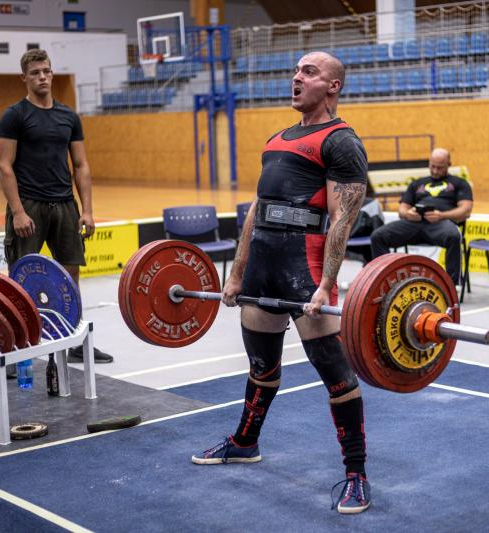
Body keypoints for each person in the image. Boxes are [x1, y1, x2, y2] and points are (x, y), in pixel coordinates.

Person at [191, 51, 371, 514]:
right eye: (296, 70)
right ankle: (244, 442)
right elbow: (257, 208)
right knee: (261, 367)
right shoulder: (276, 140)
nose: (296, 77)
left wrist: (327, 283)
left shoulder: (341, 141)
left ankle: (356, 474)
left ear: (332, 86)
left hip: (305, 271)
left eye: (309, 72)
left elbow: (342, 218)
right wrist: (236, 273)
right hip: (263, 269)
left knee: (336, 376)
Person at [0, 49, 113, 365]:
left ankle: (75, 342)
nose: (42, 77)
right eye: (35, 72)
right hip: (29, 207)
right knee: (20, 280)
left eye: (46, 71)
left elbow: (81, 166)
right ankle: (17, 353)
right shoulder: (14, 116)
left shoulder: (68, 117)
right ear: (24, 77)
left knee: (70, 276)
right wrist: (18, 211)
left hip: (64, 206)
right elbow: (4, 165)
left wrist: (87, 211)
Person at [369, 148, 473, 285]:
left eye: (440, 168)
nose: (435, 171)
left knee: (454, 236)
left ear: (449, 164)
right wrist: (408, 214)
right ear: (429, 163)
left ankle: (451, 285)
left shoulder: (459, 183)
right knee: (378, 236)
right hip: (414, 223)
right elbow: (402, 209)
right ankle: (388, 280)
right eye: (433, 166)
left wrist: (441, 215)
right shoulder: (417, 183)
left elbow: (466, 210)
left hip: (440, 223)